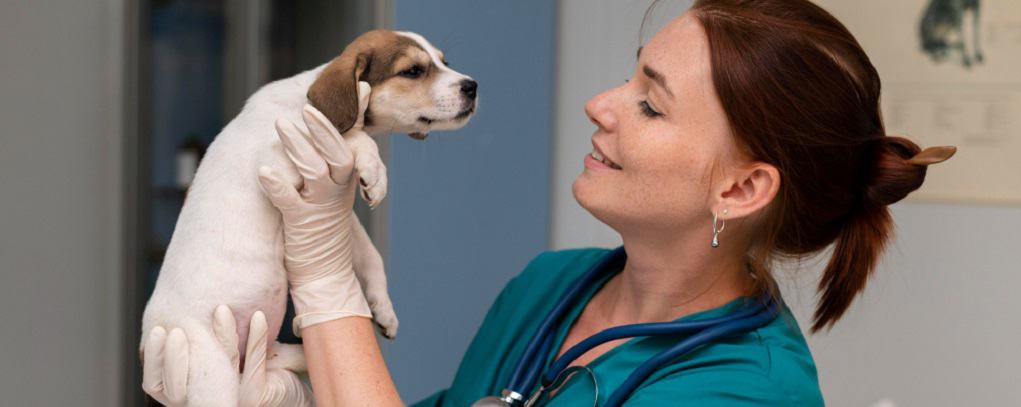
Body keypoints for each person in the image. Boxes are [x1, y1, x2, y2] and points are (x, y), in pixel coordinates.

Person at [142, 0, 956, 405]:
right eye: (631, 73)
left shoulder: (741, 390)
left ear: (740, 188)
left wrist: (325, 278)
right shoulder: (550, 287)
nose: (601, 102)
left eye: (650, 102)